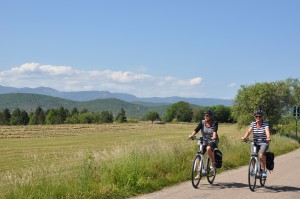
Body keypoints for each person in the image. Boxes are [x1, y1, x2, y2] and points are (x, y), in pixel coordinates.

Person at [242, 110, 271, 177]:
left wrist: (268, 137)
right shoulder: (253, 124)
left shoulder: (265, 123)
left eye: (259, 116)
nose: (258, 118)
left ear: (262, 117)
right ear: (255, 117)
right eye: (256, 116)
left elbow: (267, 131)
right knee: (252, 156)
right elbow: (249, 131)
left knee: (261, 155)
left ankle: (263, 170)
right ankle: (254, 169)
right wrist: (245, 137)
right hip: (255, 142)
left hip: (263, 142)